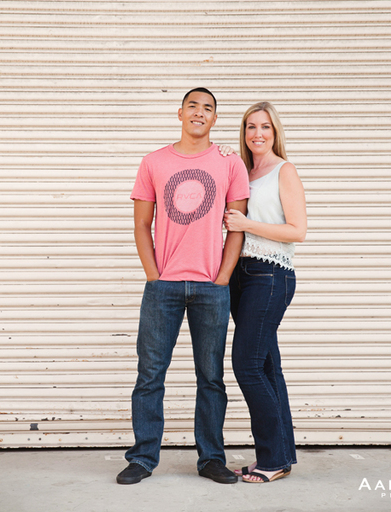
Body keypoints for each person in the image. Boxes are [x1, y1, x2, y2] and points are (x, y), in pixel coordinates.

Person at [116, 88, 250, 485]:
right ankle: (142, 458)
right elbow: (141, 223)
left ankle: (211, 458)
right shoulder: (154, 161)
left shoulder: (230, 163)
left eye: (208, 108)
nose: (199, 112)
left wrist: (223, 277)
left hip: (212, 288)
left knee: (210, 377)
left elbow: (237, 227)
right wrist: (153, 275)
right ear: (179, 113)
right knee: (150, 375)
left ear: (214, 119)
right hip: (164, 288)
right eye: (193, 105)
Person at [222, 101, 307, 483]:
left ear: (275, 133)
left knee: (247, 366)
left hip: (270, 275)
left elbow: (297, 231)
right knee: (268, 367)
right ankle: (280, 457)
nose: (257, 133)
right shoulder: (245, 171)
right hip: (242, 274)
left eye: (265, 127)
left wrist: (247, 223)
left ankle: (271, 459)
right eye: (250, 127)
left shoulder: (283, 171)